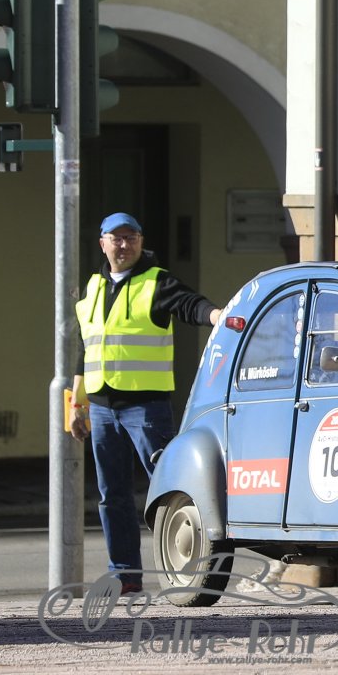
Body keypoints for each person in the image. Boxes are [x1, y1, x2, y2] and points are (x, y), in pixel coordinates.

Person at [71, 212, 223, 595]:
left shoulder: (157, 281)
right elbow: (86, 347)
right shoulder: (93, 288)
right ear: (103, 243)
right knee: (112, 495)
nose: (124, 245)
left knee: (174, 487)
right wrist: (76, 404)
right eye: (117, 238)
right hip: (102, 407)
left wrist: (216, 315)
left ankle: (195, 569)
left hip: (145, 408)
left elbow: (189, 304)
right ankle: (125, 576)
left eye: (131, 237)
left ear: (141, 242)